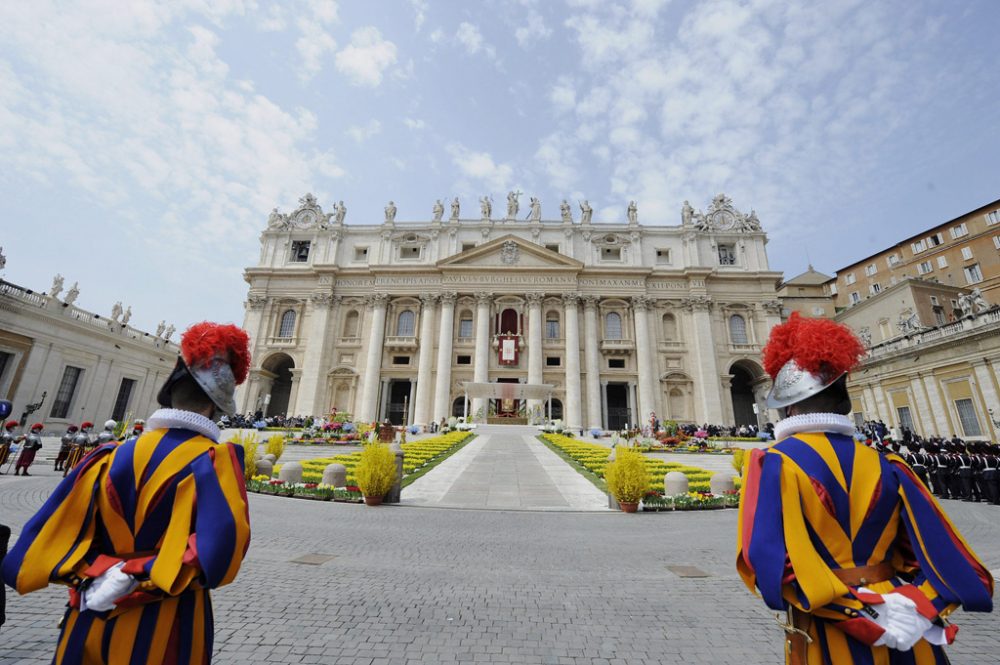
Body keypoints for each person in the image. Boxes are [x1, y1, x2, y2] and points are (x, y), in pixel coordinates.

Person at [737, 313, 993, 664]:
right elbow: (948, 556)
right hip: (911, 632)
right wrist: (916, 607)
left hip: (834, 631)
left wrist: (868, 613)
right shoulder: (889, 463)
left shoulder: (774, 464)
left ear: (789, 407)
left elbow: (767, 566)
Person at [2, 322, 252, 663]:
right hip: (165, 619)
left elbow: (52, 533)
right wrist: (136, 575)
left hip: (89, 612)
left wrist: (96, 575)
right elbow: (220, 554)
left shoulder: (107, 457)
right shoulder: (213, 462)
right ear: (216, 408)